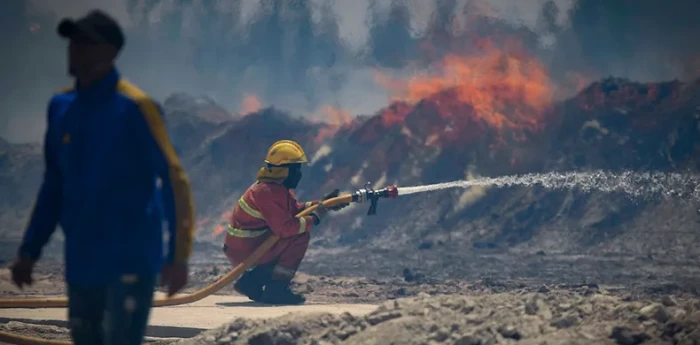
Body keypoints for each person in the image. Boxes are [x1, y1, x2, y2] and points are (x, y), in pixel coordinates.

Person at [8, 9, 196, 345]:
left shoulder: (136, 108)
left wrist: (177, 257)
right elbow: (54, 185)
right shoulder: (61, 107)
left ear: (108, 52)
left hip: (131, 260)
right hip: (82, 262)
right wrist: (29, 251)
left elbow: (174, 180)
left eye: (84, 44)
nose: (74, 51)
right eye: (72, 43)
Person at [223, 140, 348, 305]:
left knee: (288, 238)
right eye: (295, 170)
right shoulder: (268, 192)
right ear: (282, 171)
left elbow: (295, 210)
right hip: (247, 249)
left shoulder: (275, 189)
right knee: (298, 236)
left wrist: (323, 204)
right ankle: (277, 290)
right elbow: (286, 228)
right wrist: (316, 217)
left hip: (249, 245)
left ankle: (251, 282)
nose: (299, 175)